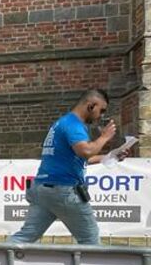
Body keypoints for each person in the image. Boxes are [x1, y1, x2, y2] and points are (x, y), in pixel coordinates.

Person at [9, 89, 120, 245]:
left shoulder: (62, 123)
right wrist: (105, 137)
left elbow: (79, 158)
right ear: (91, 106)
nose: (101, 116)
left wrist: (112, 156)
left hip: (42, 188)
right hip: (64, 189)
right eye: (101, 110)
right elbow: (86, 151)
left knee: (25, 237)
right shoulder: (74, 124)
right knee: (90, 241)